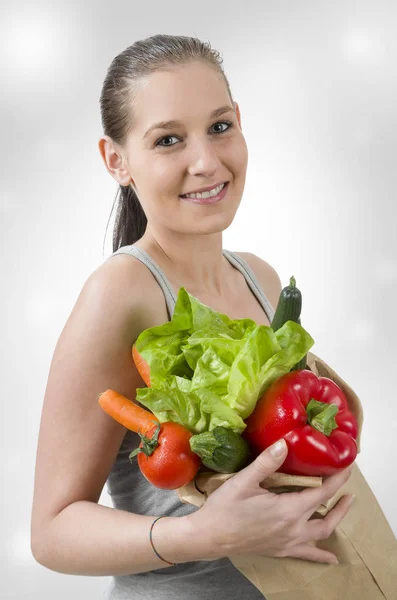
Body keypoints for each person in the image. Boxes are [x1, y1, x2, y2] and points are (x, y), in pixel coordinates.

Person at [30, 34, 355, 599]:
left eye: (220, 126)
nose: (206, 161)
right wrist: (200, 535)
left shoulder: (262, 279)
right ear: (117, 160)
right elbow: (52, 532)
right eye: (169, 139)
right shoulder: (122, 292)